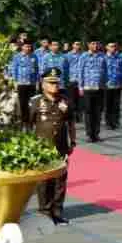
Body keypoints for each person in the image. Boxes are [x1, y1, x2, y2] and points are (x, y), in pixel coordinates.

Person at [29, 68, 75, 225]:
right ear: (43, 84)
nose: (54, 86)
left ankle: (57, 212)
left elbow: (70, 123)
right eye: (51, 83)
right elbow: (28, 124)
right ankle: (44, 212)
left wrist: (72, 143)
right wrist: (29, 146)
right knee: (44, 182)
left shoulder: (65, 101)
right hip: (42, 147)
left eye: (56, 83)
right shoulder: (35, 102)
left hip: (60, 147)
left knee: (60, 180)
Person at [77, 40, 107, 142]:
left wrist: (105, 84)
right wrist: (80, 87)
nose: (95, 46)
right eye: (93, 43)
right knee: (89, 111)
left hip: (99, 87)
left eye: (97, 43)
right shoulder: (84, 56)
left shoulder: (102, 56)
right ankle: (89, 134)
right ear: (88, 44)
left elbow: (105, 71)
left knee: (98, 112)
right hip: (87, 87)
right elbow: (80, 72)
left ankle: (96, 133)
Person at [9, 41, 39, 129]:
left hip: (31, 83)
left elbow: (37, 70)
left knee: (31, 103)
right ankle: (23, 121)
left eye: (29, 47)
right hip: (21, 83)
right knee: (22, 103)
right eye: (26, 47)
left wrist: (37, 82)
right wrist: (15, 82)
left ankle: (30, 122)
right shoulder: (17, 56)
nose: (28, 48)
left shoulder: (34, 56)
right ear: (22, 47)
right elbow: (14, 69)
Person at [104, 42, 122, 130]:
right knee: (108, 105)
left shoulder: (119, 58)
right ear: (107, 47)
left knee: (116, 105)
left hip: (117, 84)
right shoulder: (103, 58)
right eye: (111, 46)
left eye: (115, 46)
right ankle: (108, 122)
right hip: (107, 85)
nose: (113, 48)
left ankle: (116, 121)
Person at [64, 41, 84, 117]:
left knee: (80, 99)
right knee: (71, 99)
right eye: (76, 44)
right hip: (71, 79)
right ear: (72, 45)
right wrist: (66, 79)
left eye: (79, 44)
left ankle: (79, 114)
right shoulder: (67, 55)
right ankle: (72, 115)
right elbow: (65, 68)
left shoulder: (83, 55)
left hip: (80, 80)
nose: (78, 46)